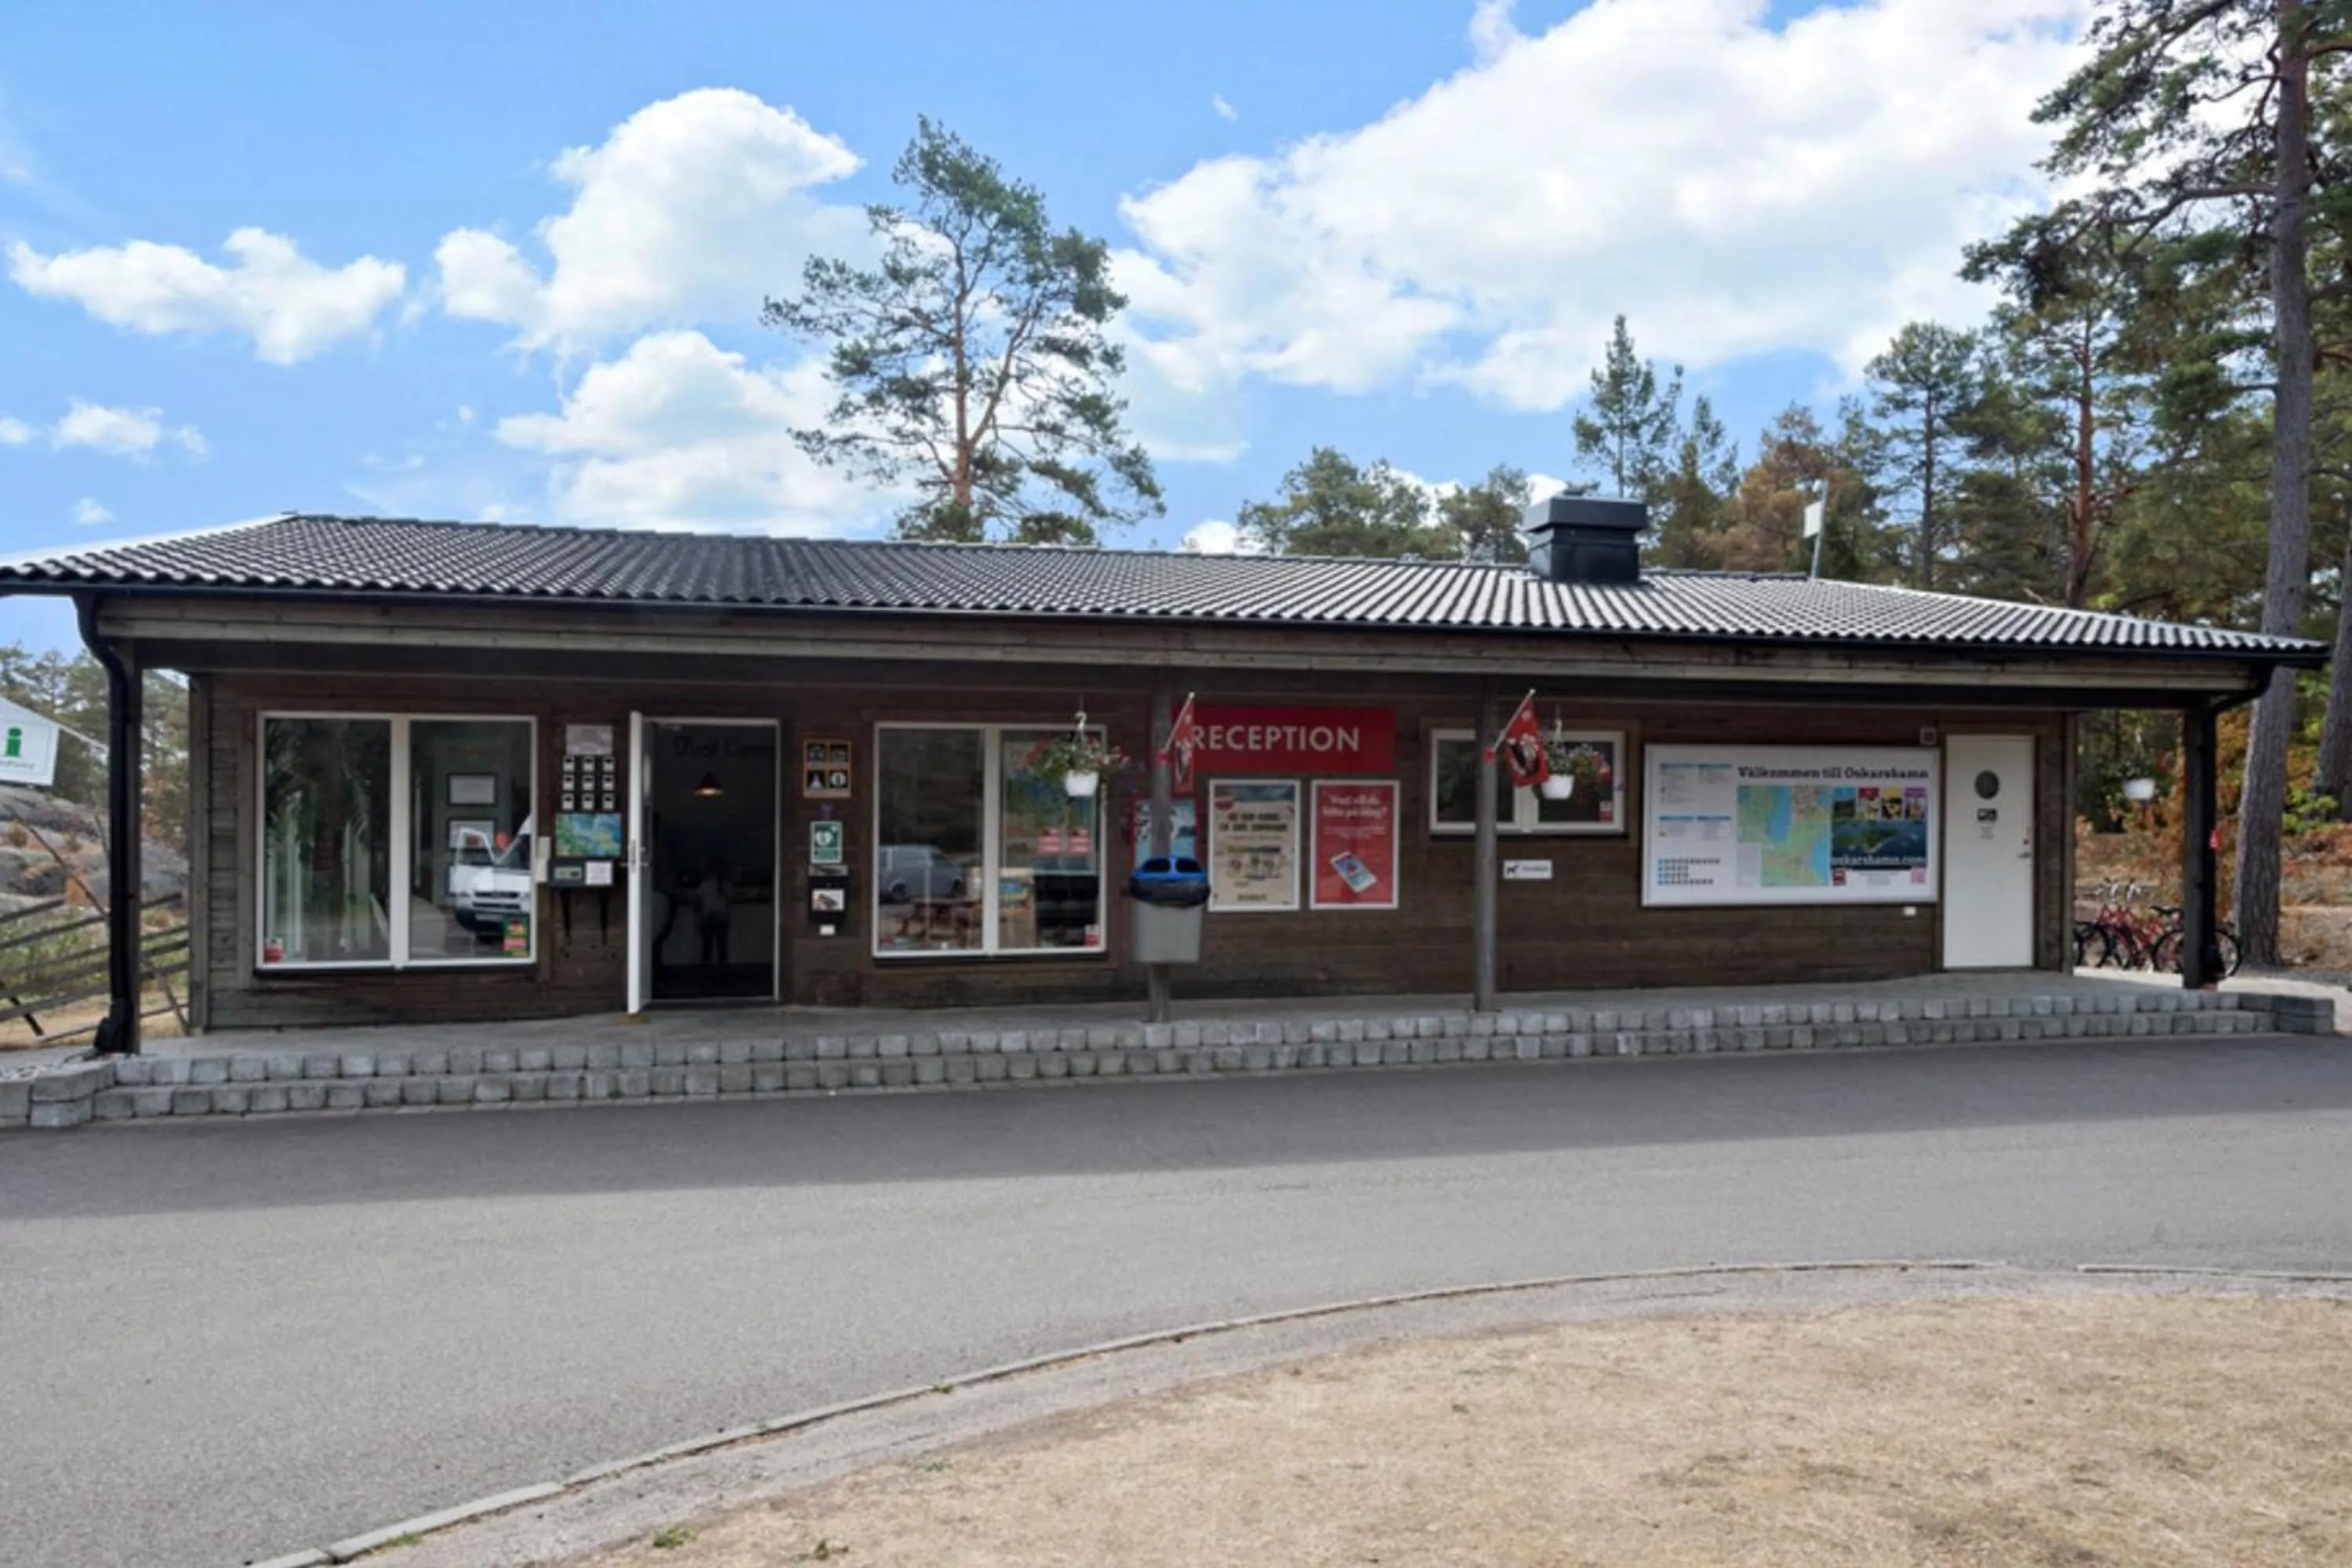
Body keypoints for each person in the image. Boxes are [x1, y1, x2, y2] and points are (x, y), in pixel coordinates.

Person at [691, 858, 731, 972]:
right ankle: (722, 969)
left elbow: (697, 900)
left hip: (708, 917)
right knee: (722, 946)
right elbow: (730, 900)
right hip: (722, 918)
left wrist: (699, 914)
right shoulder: (725, 885)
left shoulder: (704, 886)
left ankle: (706, 969)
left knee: (707, 945)